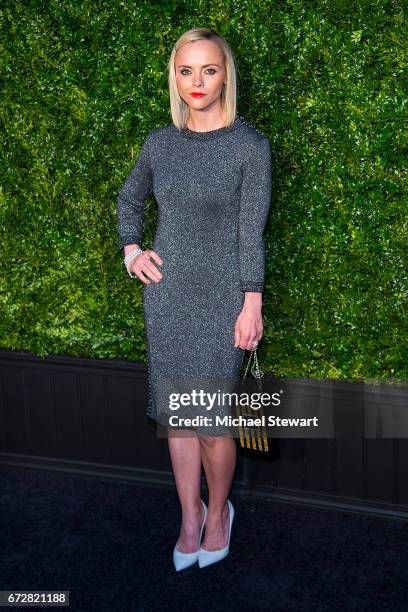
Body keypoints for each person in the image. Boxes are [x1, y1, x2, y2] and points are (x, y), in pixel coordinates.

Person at [116, 27, 272, 570]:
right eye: (186, 70)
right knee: (177, 419)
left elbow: (251, 231)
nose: (197, 81)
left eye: (208, 69)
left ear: (225, 73)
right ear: (175, 78)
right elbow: (129, 200)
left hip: (223, 299)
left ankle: (218, 513)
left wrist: (250, 302)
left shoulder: (250, 146)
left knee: (211, 423)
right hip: (167, 296)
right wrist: (132, 249)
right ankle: (189, 515)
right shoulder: (160, 143)